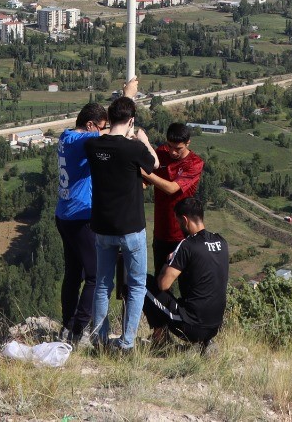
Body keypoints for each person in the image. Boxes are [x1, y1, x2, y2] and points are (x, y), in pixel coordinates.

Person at [84, 88, 157, 351]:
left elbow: (101, 137)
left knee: (103, 283)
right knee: (136, 285)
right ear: (131, 121)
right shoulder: (134, 148)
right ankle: (126, 343)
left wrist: (120, 131)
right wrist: (143, 140)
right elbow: (154, 164)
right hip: (131, 228)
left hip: (102, 226)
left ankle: (100, 339)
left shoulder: (92, 146)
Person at [143, 195, 229, 349]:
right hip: (215, 326)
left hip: (192, 327)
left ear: (184, 219)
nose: (179, 226)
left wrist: (169, 261)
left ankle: (160, 338)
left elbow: (163, 285)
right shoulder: (221, 241)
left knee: (142, 283)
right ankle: (206, 342)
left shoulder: (187, 245)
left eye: (178, 222)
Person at [54, 100, 108, 342]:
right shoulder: (80, 141)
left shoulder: (66, 137)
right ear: (89, 125)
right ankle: (78, 328)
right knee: (95, 275)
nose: (100, 132)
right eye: (99, 127)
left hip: (64, 214)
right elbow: (110, 134)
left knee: (73, 273)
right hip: (80, 216)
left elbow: (103, 130)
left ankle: (67, 323)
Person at [143, 121, 204, 275]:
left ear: (188, 143)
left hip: (184, 234)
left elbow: (172, 188)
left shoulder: (195, 163)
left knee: (187, 283)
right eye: (170, 146)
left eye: (178, 148)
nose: (173, 152)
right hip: (161, 232)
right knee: (160, 281)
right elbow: (144, 184)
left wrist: (144, 172)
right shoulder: (161, 153)